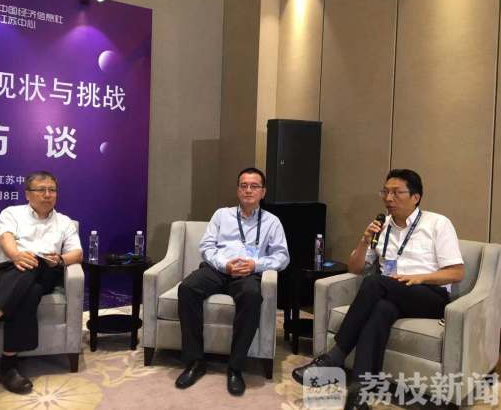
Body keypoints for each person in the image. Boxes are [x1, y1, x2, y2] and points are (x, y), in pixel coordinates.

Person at [292, 169, 464, 410]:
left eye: (396, 192)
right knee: (381, 309)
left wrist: (418, 277)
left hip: (429, 295)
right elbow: (355, 268)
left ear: (415, 197)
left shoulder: (437, 224)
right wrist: (364, 240)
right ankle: (359, 395)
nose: (388, 198)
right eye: (385, 192)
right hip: (392, 294)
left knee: (374, 282)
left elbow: (456, 272)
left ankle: (335, 356)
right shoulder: (381, 228)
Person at [0, 171, 83, 394]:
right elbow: (5, 237)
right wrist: (16, 255)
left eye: (52, 190)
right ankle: (7, 366)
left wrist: (59, 259)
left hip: (44, 271)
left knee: (35, 264)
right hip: (1, 275)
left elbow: (78, 253)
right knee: (31, 289)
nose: (47, 195)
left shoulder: (64, 222)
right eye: (41, 190)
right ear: (27, 194)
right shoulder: (11, 213)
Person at [176, 167, 289, 396]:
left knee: (252, 296)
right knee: (187, 288)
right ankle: (195, 362)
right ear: (238, 190)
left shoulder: (272, 222)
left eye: (254, 186)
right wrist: (224, 265)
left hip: (248, 273)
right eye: (244, 185)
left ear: (263, 192)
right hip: (218, 269)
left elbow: (282, 257)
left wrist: (255, 265)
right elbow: (207, 247)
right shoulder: (222, 215)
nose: (248, 190)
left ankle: (235, 367)